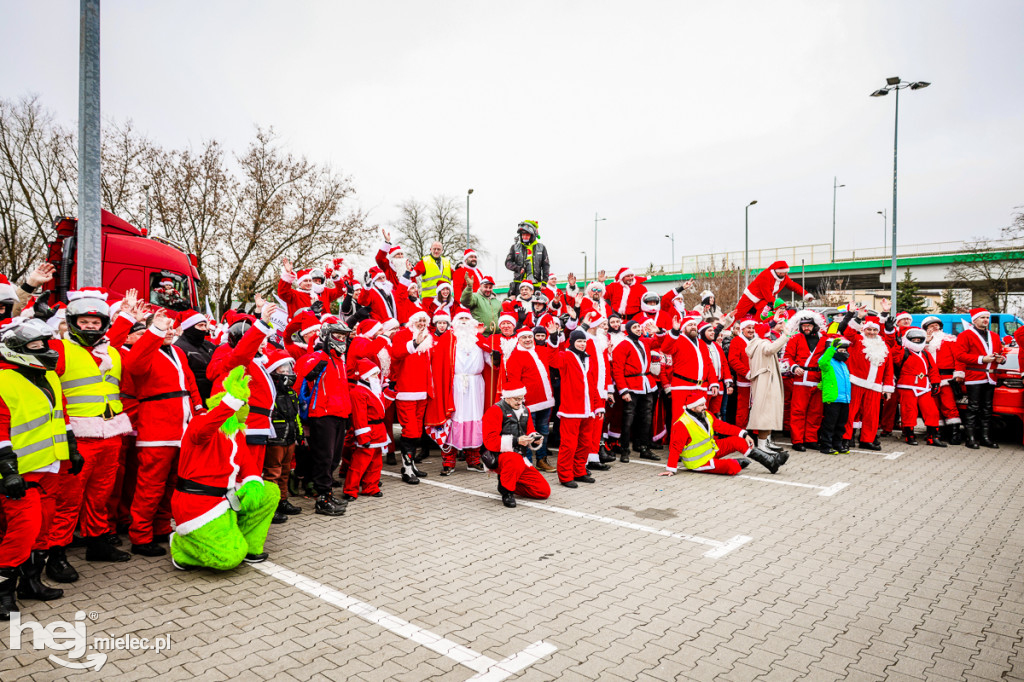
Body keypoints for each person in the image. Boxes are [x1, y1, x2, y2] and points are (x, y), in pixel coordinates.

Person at [0, 318, 83, 620]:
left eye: (45, 344)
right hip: (19, 473)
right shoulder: (3, 381)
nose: (45, 349)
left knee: (43, 527)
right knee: (23, 529)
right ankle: (2, 592)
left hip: (50, 466)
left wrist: (72, 448)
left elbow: (60, 415)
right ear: (17, 350)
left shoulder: (48, 376)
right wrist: (7, 470)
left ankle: (31, 583)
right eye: (36, 346)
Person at [169, 366, 280, 571]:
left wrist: (253, 483)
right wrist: (231, 402)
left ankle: (248, 545)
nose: (246, 408)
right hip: (199, 505)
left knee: (270, 492)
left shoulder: (236, 434)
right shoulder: (200, 424)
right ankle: (182, 546)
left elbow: (247, 465)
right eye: (242, 404)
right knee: (228, 559)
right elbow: (206, 427)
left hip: (225, 498)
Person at [124, 310, 202, 557]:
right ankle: (140, 536)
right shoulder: (145, 350)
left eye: (171, 327)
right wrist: (154, 332)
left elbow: (189, 383)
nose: (169, 331)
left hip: (182, 428)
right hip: (157, 430)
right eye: (163, 327)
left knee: (171, 484)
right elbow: (134, 366)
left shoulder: (178, 352)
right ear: (152, 330)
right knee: (150, 486)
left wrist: (199, 411)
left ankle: (160, 528)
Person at [293, 321, 353, 514]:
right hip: (323, 414)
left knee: (334, 458)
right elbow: (305, 376)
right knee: (324, 458)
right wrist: (314, 370)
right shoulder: (319, 356)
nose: (342, 340)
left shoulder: (340, 361)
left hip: (340, 413)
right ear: (327, 337)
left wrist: (348, 412)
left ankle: (326, 493)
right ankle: (322, 498)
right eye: (338, 336)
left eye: (344, 337)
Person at [658, 395, 785, 476]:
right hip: (698, 462)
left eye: (704, 404)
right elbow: (675, 448)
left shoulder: (706, 414)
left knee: (738, 441)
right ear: (692, 408)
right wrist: (671, 469)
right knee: (733, 467)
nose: (705, 407)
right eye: (701, 405)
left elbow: (722, 426)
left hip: (711, 450)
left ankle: (771, 462)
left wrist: (744, 434)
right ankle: (738, 463)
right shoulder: (682, 424)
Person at [480, 380, 552, 508]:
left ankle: (508, 480)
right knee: (514, 459)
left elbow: (530, 431)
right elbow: (489, 441)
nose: (520, 402)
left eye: (522, 398)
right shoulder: (494, 411)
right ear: (507, 397)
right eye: (517, 399)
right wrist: (516, 441)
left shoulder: (525, 410)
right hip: (499, 456)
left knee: (543, 491)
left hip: (520, 458)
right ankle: (506, 491)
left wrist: (535, 439)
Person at [838, 310, 895, 451]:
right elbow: (848, 333)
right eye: (869, 329)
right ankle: (845, 439)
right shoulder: (857, 340)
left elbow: (889, 369)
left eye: (875, 330)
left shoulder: (884, 346)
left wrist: (887, 387)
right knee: (850, 413)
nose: (872, 332)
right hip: (856, 382)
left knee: (872, 415)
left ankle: (867, 440)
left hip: (875, 386)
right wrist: (858, 318)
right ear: (864, 329)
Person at [439, 312, 487, 475]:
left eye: (467, 319)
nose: (465, 322)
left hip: (476, 385)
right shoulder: (448, 338)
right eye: (461, 319)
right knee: (453, 420)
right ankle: (449, 461)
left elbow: (490, 358)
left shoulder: (478, 339)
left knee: (475, 420)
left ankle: (473, 459)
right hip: (456, 385)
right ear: (455, 322)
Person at [390, 311, 434, 484]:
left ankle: (411, 465)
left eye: (425, 320)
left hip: (422, 391)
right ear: (412, 321)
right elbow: (397, 353)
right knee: (409, 430)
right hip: (406, 390)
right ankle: (407, 470)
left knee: (416, 430)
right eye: (419, 320)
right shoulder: (402, 335)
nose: (422, 323)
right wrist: (416, 342)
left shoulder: (428, 337)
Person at [548, 330, 596, 487]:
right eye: (579, 341)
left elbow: (594, 384)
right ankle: (565, 475)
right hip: (571, 409)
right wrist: (554, 338)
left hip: (588, 409)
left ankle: (579, 470)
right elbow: (553, 360)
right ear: (572, 342)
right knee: (568, 444)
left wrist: (598, 406)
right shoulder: (566, 356)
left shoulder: (588, 358)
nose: (582, 344)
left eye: (584, 341)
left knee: (585, 442)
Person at [504, 328, 556, 471]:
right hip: (529, 402)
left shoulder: (540, 351)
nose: (527, 340)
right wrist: (519, 400)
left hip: (546, 400)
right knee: (526, 433)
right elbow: (514, 380)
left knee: (543, 430)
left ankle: (541, 459)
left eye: (529, 337)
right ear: (518, 340)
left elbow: (554, 352)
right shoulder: (515, 356)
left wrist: (554, 335)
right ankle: (526, 462)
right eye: (524, 337)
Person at [954, 308, 1005, 449]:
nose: (985, 320)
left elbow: (999, 353)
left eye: (987, 317)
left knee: (987, 409)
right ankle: (970, 438)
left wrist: (1001, 359)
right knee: (973, 407)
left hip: (991, 376)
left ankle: (985, 438)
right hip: (974, 376)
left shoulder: (994, 335)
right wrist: (981, 358)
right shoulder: (965, 335)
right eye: (982, 317)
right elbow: (960, 355)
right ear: (974, 320)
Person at [611, 319, 659, 462]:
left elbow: (661, 343)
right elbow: (617, 370)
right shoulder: (622, 345)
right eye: (635, 327)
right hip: (631, 385)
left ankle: (644, 448)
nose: (638, 329)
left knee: (647, 418)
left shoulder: (645, 342)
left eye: (639, 327)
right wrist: (623, 391)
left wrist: (659, 331)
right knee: (628, 419)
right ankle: (625, 449)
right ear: (628, 329)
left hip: (647, 384)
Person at [263, 349, 303, 523]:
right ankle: (270, 507)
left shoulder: (291, 393)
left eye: (288, 369)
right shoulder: (269, 393)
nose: (287, 372)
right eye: (282, 369)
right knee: (273, 473)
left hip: (289, 438)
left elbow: (296, 416)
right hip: (275, 439)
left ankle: (283, 500)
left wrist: (299, 434)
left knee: (285, 472)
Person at [745, 313, 793, 452]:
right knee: (765, 413)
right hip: (766, 381)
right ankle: (762, 445)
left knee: (769, 412)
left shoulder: (757, 342)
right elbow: (770, 349)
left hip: (766, 380)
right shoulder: (762, 343)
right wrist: (785, 335)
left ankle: (766, 442)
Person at [342, 360, 388, 500]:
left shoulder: (373, 390)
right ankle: (350, 490)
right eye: (374, 374)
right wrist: (363, 436)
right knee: (359, 464)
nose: (376, 377)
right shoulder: (358, 392)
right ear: (365, 376)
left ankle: (371, 487)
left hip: (378, 430)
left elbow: (381, 409)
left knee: (376, 463)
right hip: (368, 430)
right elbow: (359, 416)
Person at [783, 310, 827, 451]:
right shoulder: (795, 339)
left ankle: (811, 439)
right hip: (800, 380)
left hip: (818, 381)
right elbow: (787, 357)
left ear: (815, 325)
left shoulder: (824, 339)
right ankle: (797, 441)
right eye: (804, 325)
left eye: (809, 325)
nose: (806, 328)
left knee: (815, 412)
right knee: (798, 412)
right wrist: (794, 366)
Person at [896, 327, 945, 447]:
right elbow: (895, 359)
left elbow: (933, 369)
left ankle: (933, 437)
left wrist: (936, 382)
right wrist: (897, 346)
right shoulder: (903, 351)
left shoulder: (925, 353)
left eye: (919, 339)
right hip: (907, 386)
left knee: (932, 411)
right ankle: (909, 435)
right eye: (914, 339)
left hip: (924, 386)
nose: (917, 341)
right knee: (909, 411)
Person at [922, 316, 963, 445]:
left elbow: (958, 358)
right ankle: (937, 433)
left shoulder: (949, 340)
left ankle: (954, 434)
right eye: (931, 326)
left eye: (937, 325)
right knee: (933, 407)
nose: (935, 327)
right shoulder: (922, 343)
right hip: (929, 379)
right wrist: (926, 343)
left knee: (949, 405)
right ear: (926, 329)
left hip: (946, 378)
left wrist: (958, 373)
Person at [731, 261, 814, 321]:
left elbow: (794, 286)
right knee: (737, 314)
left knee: (763, 312)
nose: (785, 274)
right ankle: (724, 326)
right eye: (783, 273)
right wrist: (780, 305)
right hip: (751, 296)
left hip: (763, 300)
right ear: (777, 271)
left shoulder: (784, 278)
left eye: (786, 272)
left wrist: (806, 294)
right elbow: (767, 293)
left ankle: (757, 327)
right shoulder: (765, 276)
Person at [817, 338, 853, 454]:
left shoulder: (843, 364)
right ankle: (826, 446)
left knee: (841, 424)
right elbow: (822, 362)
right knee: (829, 424)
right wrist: (832, 348)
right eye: (840, 350)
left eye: (844, 350)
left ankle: (838, 445)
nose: (843, 353)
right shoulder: (828, 362)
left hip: (845, 399)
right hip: (833, 398)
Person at [175, 309, 218, 401]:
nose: (204, 328)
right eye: (200, 325)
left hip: (213, 394)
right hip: (194, 397)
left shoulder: (208, 345)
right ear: (189, 327)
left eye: (205, 325)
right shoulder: (179, 347)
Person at [505, 220, 550, 296]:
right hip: (519, 284)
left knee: (535, 306)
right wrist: (518, 268)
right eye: (523, 235)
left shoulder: (541, 247)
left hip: (536, 285)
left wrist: (544, 282)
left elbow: (546, 265)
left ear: (532, 235)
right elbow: (507, 263)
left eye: (527, 235)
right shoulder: (515, 247)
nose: (524, 237)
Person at [727, 319, 756, 430]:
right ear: (742, 329)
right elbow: (733, 360)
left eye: (752, 328)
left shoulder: (756, 341)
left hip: (757, 380)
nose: (751, 330)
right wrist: (746, 373)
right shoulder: (737, 341)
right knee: (742, 409)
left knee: (757, 408)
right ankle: (742, 433)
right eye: (748, 328)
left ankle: (756, 434)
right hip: (744, 380)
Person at [413, 241, 453, 310]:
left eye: (438, 249)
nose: (436, 251)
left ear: (442, 251)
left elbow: (455, 276)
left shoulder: (447, 262)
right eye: (434, 249)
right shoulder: (424, 261)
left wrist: (460, 267)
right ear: (430, 249)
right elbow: (412, 274)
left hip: (444, 300)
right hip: (429, 299)